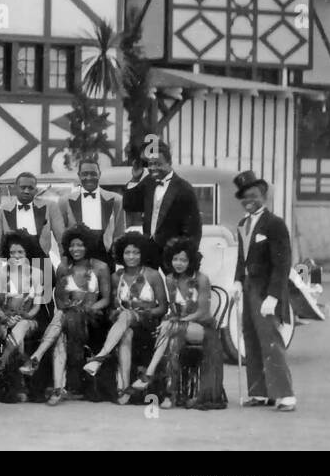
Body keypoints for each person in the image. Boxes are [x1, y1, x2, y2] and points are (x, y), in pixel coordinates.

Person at [130, 237, 226, 410]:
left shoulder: (202, 279)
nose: (179, 263)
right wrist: (172, 320)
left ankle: (150, 374)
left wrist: (178, 321)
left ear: (191, 261)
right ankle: (169, 394)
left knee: (171, 328)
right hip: (177, 328)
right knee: (172, 341)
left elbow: (203, 312)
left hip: (202, 328)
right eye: (175, 259)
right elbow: (173, 310)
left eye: (183, 259)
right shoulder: (169, 279)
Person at [20, 226, 111, 405]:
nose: (75, 249)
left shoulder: (100, 267)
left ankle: (37, 358)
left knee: (63, 320)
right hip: (67, 315)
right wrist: (67, 307)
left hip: (91, 316)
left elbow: (106, 299)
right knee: (61, 331)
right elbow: (58, 298)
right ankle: (57, 388)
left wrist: (90, 308)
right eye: (71, 246)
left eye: (80, 245)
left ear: (88, 246)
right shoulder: (63, 267)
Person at [232, 170, 295, 411]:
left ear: (264, 195)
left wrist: (273, 296)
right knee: (250, 338)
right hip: (248, 288)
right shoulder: (242, 224)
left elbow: (282, 263)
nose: (249, 200)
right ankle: (259, 393)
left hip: (266, 289)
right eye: (244, 197)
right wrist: (237, 281)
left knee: (270, 339)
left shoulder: (275, 224)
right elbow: (241, 257)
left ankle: (285, 395)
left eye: (254, 195)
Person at [82, 231, 166, 396]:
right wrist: (119, 312)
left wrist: (146, 312)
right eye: (127, 252)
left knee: (127, 316)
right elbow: (113, 307)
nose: (131, 256)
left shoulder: (153, 275)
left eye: (136, 252)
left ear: (143, 254)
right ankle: (125, 388)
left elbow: (163, 307)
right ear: (121, 254)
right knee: (125, 330)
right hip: (123, 326)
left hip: (146, 324)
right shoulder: (115, 277)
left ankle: (100, 357)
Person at [0, 230, 46, 401]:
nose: (16, 256)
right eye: (12, 253)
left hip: (28, 320)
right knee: (16, 334)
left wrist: (25, 316)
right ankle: (19, 386)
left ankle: (1, 364)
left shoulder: (37, 274)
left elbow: (36, 307)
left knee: (22, 326)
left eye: (20, 252)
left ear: (27, 254)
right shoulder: (1, 274)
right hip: (5, 320)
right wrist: (5, 317)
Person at [122, 141, 201, 249]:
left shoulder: (184, 189)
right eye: (150, 164)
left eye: (158, 164)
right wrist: (135, 178)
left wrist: (185, 255)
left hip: (172, 253)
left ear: (169, 162)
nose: (153, 168)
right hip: (149, 250)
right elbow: (129, 205)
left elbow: (193, 228)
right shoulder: (148, 181)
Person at [52, 158, 121, 260]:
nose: (89, 177)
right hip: (77, 254)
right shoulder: (64, 201)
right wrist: (64, 257)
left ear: (99, 174)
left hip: (106, 255)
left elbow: (119, 232)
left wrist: (116, 257)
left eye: (93, 174)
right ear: (79, 175)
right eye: (85, 174)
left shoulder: (116, 199)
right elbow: (61, 235)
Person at [0, 172, 53, 260]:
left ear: (36, 190)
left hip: (42, 262)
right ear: (15, 188)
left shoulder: (47, 210)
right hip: (13, 263)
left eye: (30, 188)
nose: (26, 191)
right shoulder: (2, 212)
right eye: (23, 187)